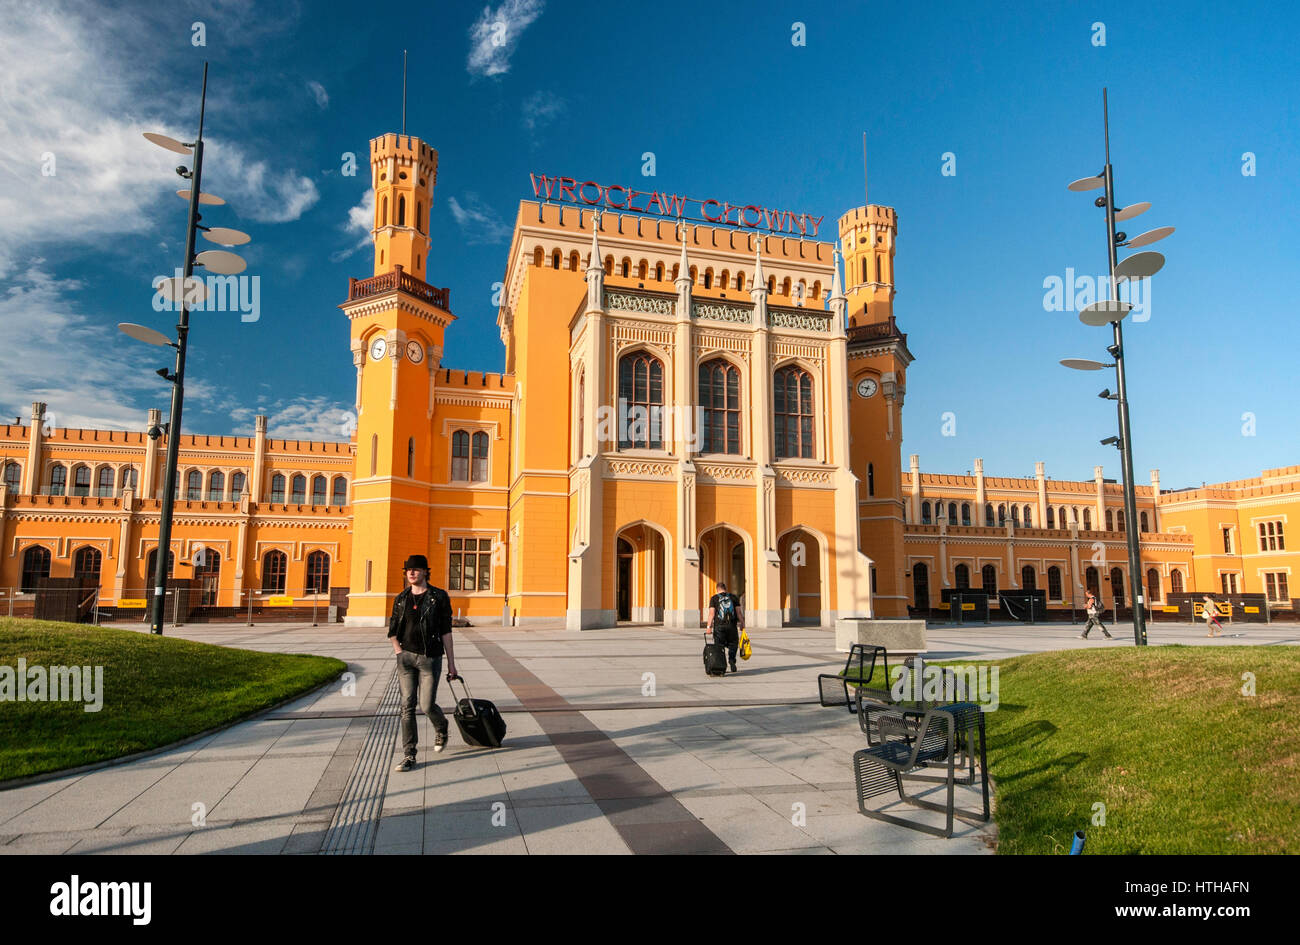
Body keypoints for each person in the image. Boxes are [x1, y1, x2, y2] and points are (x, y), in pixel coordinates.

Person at [388, 554, 457, 771]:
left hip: (430, 658)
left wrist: (451, 664)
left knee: (426, 705)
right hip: (406, 659)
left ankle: (441, 726)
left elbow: (446, 631)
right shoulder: (401, 598)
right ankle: (409, 755)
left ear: (426, 572)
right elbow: (392, 629)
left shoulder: (438, 597)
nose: (411, 572)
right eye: (408, 569)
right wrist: (399, 651)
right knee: (406, 707)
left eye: (416, 569)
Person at [706, 581, 744, 673]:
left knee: (719, 646)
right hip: (732, 626)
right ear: (725, 589)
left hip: (719, 627)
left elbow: (711, 614)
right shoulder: (733, 597)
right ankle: (732, 660)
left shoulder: (714, 598)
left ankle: (721, 665)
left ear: (717, 589)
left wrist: (708, 627)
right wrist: (742, 623)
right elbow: (739, 613)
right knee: (733, 644)